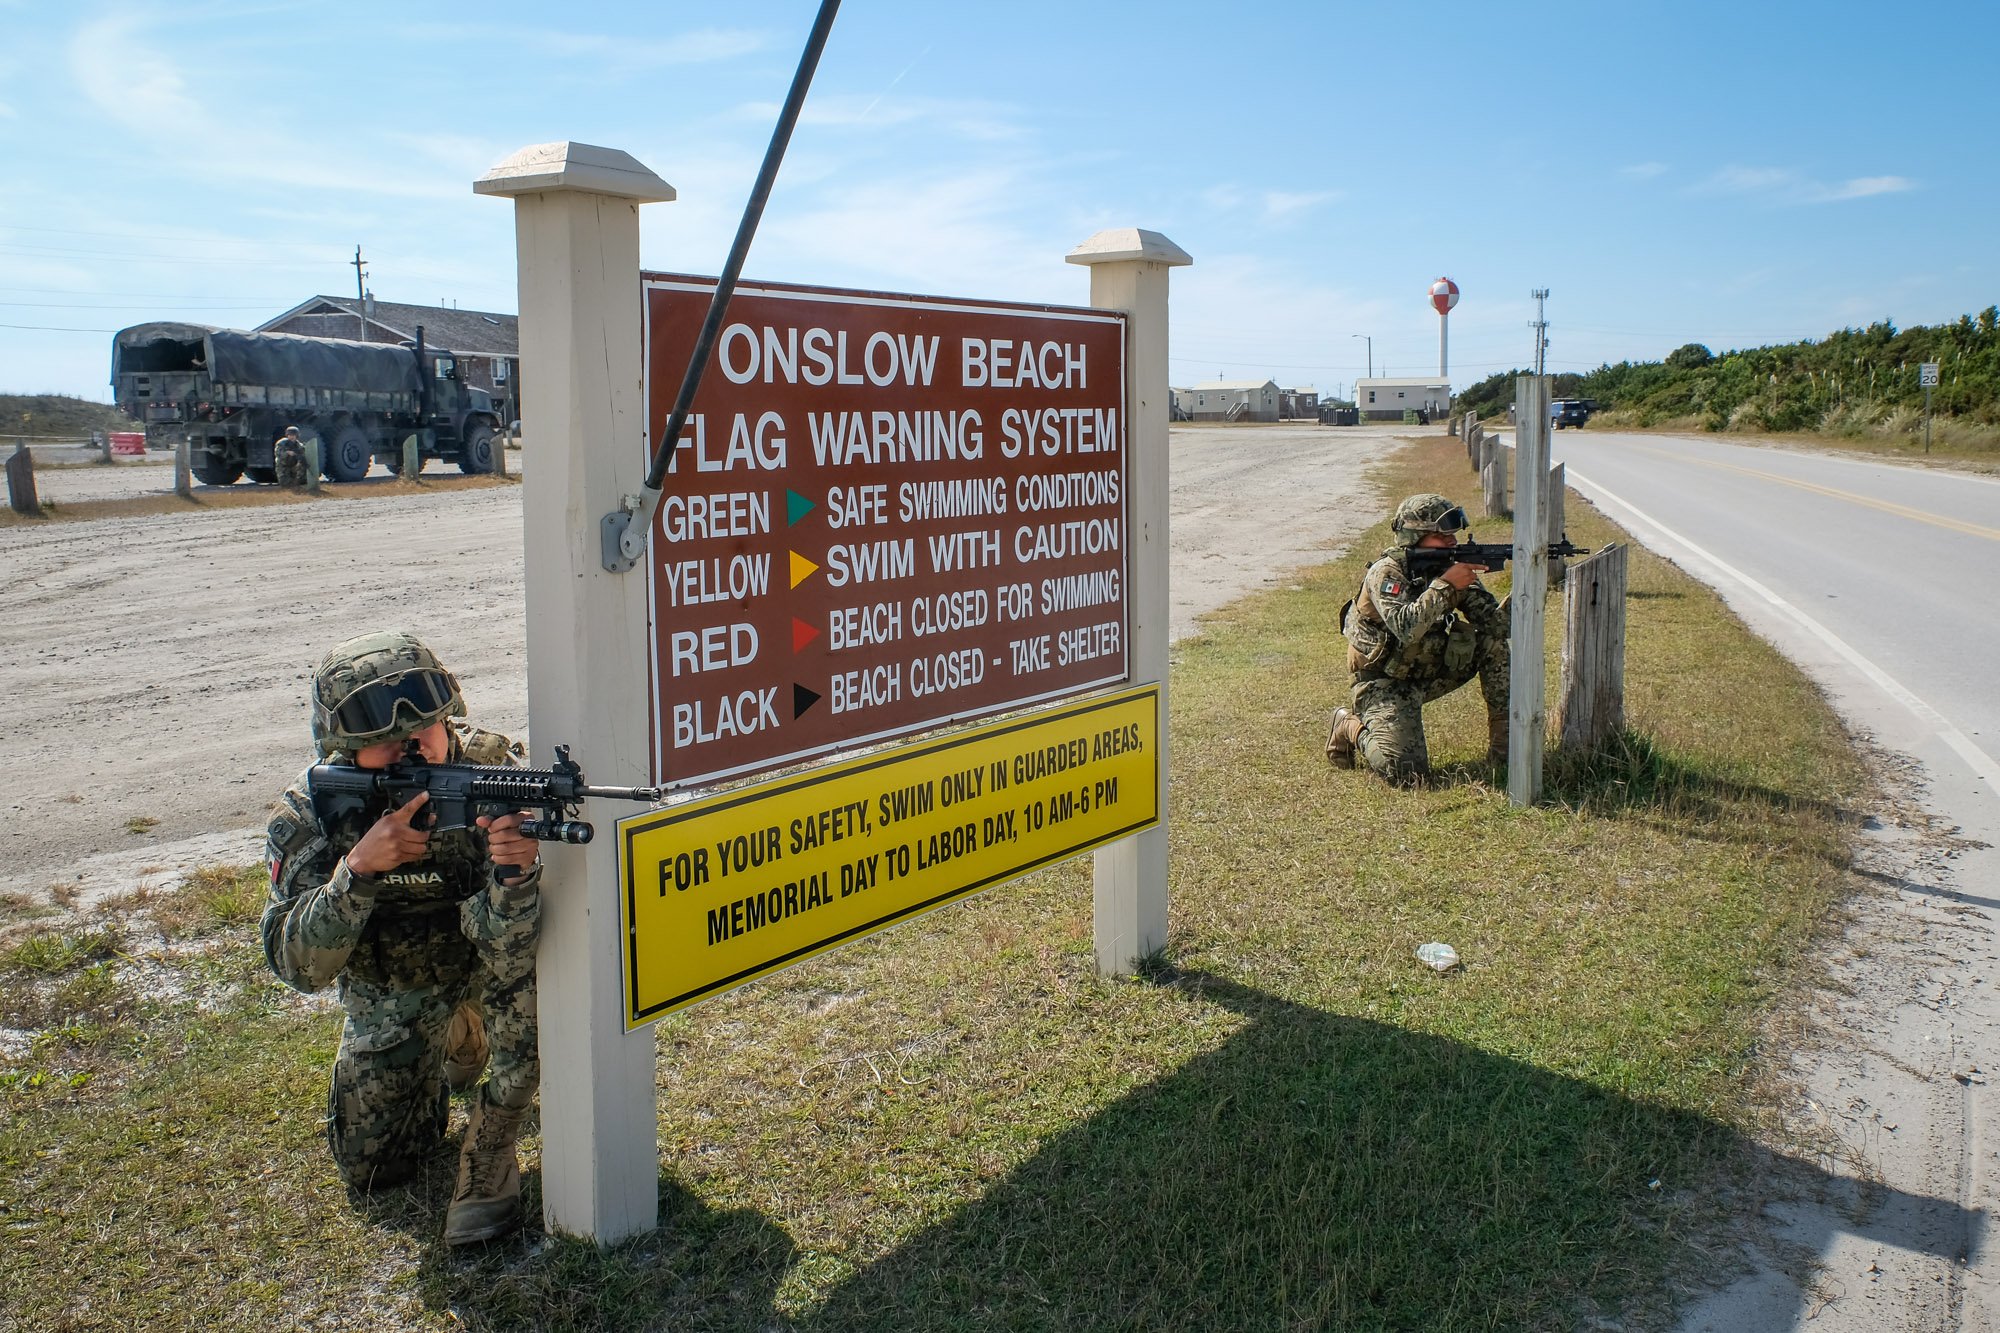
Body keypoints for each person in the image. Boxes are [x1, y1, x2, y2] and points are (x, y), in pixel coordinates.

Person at [262, 631, 541, 1245]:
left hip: (488, 961)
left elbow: (523, 942)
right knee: (376, 1170)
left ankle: (490, 1147)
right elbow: (295, 964)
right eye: (384, 745)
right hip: (398, 988)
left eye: (425, 734)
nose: (411, 752)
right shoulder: (313, 813)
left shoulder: (494, 775)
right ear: (343, 754)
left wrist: (516, 874)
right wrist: (357, 872)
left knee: (541, 993)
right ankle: (456, 1039)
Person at [1326, 493, 1510, 784]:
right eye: (1441, 535)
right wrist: (1447, 585)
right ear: (1416, 536)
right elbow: (1405, 628)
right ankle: (1348, 725)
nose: (1452, 541)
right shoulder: (1387, 572)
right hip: (1382, 681)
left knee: (1493, 646)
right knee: (1406, 773)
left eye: (1452, 534)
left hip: (1428, 670)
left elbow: (1498, 627)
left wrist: (1525, 585)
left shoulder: (1450, 567)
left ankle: (1505, 751)